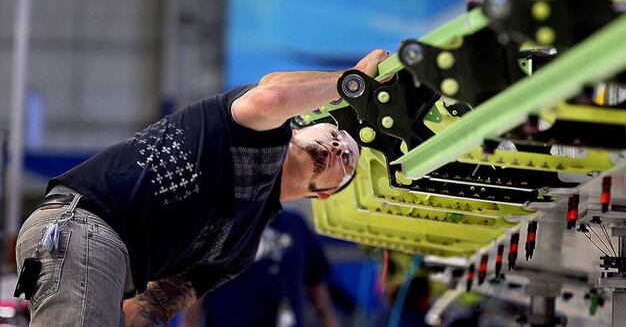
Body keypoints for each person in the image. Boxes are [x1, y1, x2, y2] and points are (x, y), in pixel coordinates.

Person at [13, 49, 389, 327]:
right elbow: (274, 94)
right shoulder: (258, 131)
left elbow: (152, 304)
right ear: (299, 129)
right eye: (335, 135)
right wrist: (352, 80)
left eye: (347, 160)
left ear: (324, 193)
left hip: (111, 261)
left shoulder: (241, 246)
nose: (339, 147)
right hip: (88, 226)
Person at [182, 209, 338, 327]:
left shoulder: (296, 224)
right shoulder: (222, 225)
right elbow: (197, 288)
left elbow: (316, 284)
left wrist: (329, 321)